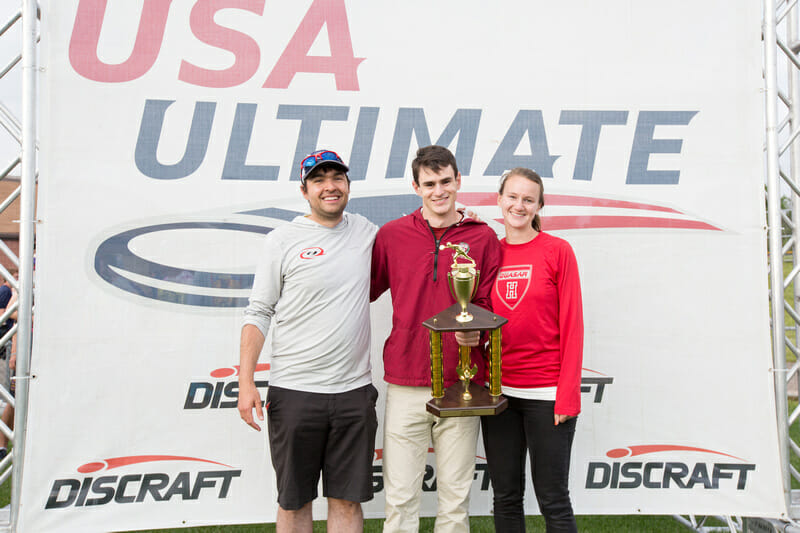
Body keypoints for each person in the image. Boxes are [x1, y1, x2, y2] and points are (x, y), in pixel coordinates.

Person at [237, 149, 378, 533]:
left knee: (347, 502)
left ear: (348, 185)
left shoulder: (367, 232)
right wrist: (246, 381)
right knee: (294, 501)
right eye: (319, 180)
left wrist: (464, 218)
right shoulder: (282, 240)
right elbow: (258, 311)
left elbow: (418, 239)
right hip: (295, 393)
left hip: (353, 393)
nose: (330, 187)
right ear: (305, 190)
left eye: (337, 178)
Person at [371, 145, 501, 532]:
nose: (439, 190)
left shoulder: (482, 237)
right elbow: (360, 291)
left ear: (458, 181)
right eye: (429, 183)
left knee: (455, 497)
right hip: (406, 379)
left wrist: (476, 331)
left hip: (462, 382)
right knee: (399, 497)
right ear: (416, 186)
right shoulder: (392, 235)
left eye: (446, 181)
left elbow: (488, 303)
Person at [482, 168, 583, 533]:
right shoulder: (488, 252)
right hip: (500, 396)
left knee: (553, 498)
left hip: (546, 395)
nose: (519, 205)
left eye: (528, 199)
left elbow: (573, 326)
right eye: (512, 197)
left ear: (540, 205)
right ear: (499, 200)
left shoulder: (557, 251)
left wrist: (567, 396)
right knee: (505, 496)